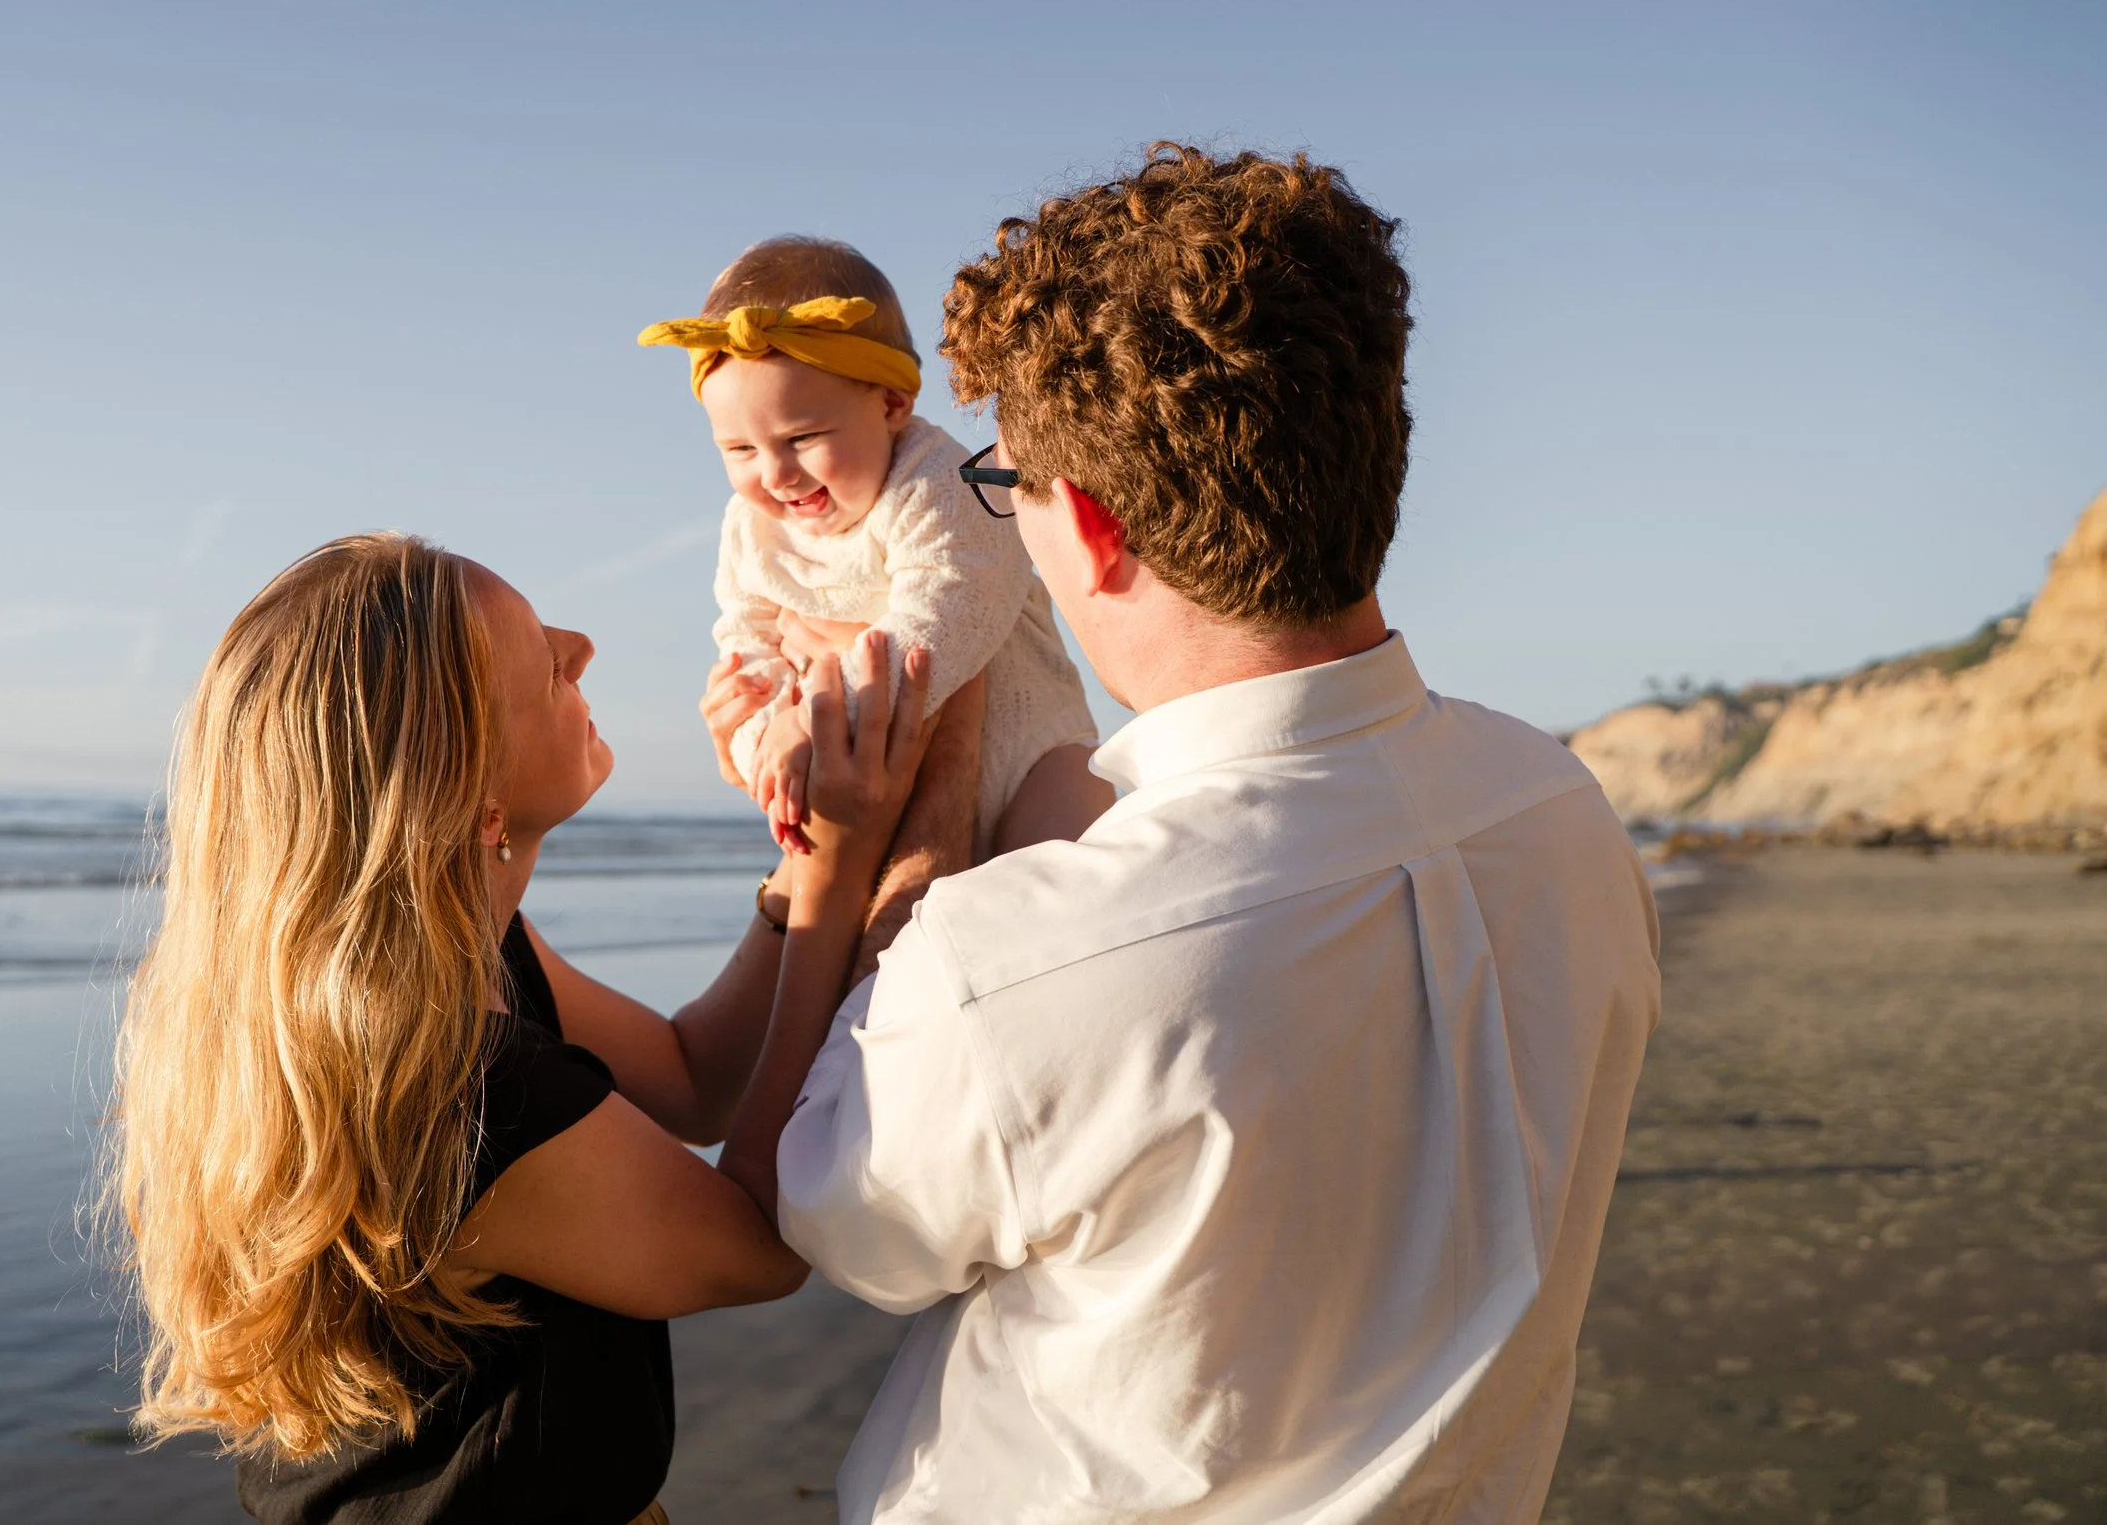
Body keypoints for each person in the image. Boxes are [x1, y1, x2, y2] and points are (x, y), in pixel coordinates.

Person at [722, 145, 1663, 1524]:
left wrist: (843, 855)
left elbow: (804, 1209)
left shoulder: (1018, 961)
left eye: (1009, 486)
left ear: (1092, 531)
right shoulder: (1563, 814)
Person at [104, 533, 952, 1525]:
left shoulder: (448, 956)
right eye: (547, 658)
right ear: (469, 785)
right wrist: (837, 867)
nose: (583, 644)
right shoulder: (451, 1079)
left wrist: (802, 858)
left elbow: (690, 1076)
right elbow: (760, 1243)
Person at [641, 236, 1112, 883]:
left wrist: (814, 718)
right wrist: (769, 745)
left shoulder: (942, 482)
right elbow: (745, 646)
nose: (775, 473)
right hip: (874, 779)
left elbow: (946, 613)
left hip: (1023, 760)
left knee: (1061, 877)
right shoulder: (750, 528)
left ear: (891, 403)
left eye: (801, 438)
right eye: (741, 449)